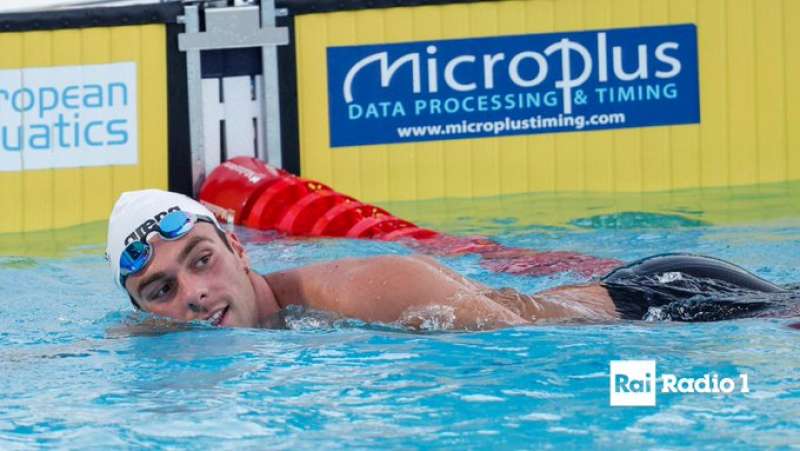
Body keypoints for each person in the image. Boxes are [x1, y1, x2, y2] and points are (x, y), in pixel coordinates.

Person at [106, 190, 799, 331]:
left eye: (200, 259)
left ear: (239, 246)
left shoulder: (370, 286)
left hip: (666, 302)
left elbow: (528, 346)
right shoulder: (168, 330)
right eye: (160, 288)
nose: (193, 294)